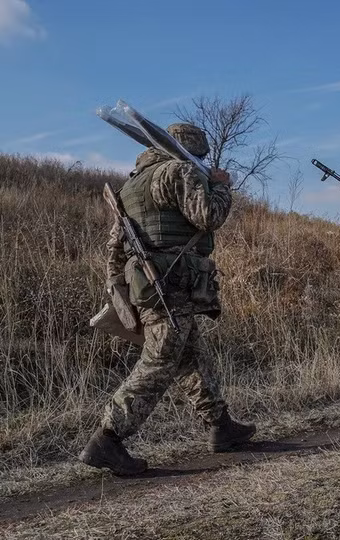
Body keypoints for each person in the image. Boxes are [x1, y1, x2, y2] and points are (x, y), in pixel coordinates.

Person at [79, 123, 255, 475]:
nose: (201, 162)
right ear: (191, 150)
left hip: (149, 283)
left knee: (191, 356)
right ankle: (108, 438)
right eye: (200, 156)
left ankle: (221, 426)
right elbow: (209, 216)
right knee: (159, 361)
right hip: (173, 283)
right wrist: (221, 187)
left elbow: (115, 248)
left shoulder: (131, 186)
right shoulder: (180, 169)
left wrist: (120, 290)